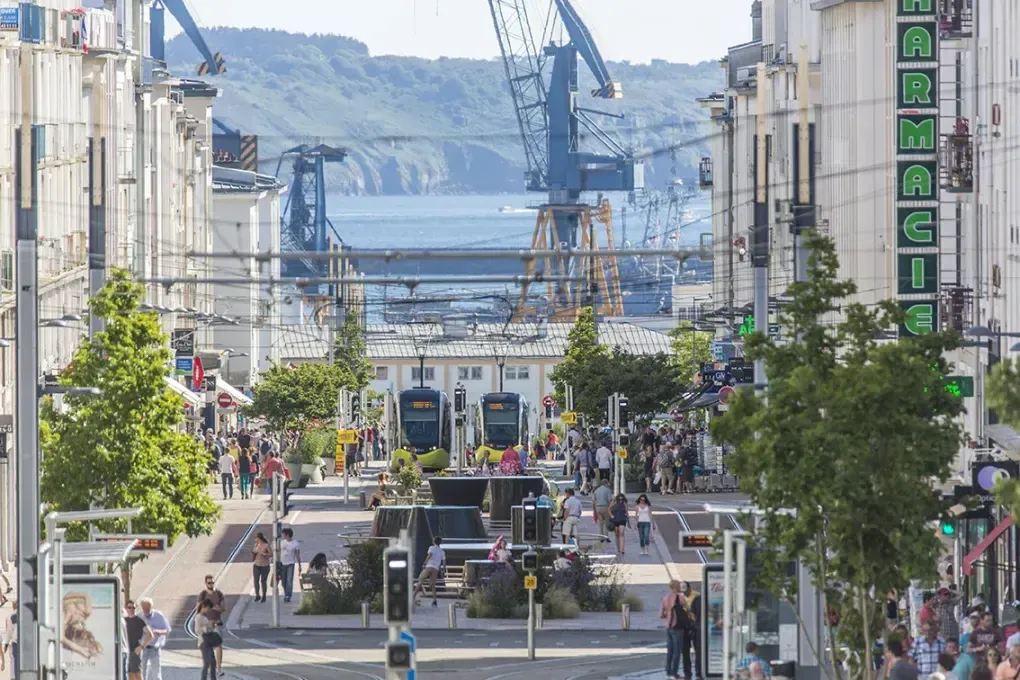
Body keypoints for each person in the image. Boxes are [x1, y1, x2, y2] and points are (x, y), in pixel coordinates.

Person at [660, 580, 694, 680]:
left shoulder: (665, 598)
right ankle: (675, 673)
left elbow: (661, 614)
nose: (681, 587)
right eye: (679, 586)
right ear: (676, 587)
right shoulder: (680, 597)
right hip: (678, 627)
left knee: (670, 651)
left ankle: (668, 671)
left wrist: (669, 614)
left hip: (668, 626)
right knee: (677, 651)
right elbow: (688, 609)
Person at [195, 575, 225, 676]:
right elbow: (198, 608)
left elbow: (223, 608)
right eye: (209, 583)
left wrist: (217, 609)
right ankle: (207, 667)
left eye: (212, 582)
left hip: (216, 622)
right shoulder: (202, 594)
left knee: (219, 644)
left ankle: (219, 668)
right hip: (205, 623)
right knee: (206, 645)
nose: (211, 584)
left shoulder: (219, 594)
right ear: (206, 583)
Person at [138, 597, 171, 680]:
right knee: (142, 673)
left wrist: (158, 632)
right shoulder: (139, 616)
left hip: (154, 648)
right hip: (143, 648)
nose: (145, 610)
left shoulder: (159, 616)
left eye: (147, 608)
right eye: (144, 608)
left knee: (156, 674)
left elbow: (167, 630)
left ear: (151, 607)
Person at [414, 536, 445, 607]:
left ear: (434, 541)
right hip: (436, 568)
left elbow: (429, 555)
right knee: (432, 585)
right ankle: (434, 601)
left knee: (420, 581)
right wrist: (443, 570)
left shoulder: (431, 548)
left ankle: (413, 597)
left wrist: (424, 563)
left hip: (429, 566)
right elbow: (443, 562)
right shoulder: (442, 551)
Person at [194, 600, 219, 680]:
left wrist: (213, 625)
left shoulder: (204, 616)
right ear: (203, 606)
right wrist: (207, 627)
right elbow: (197, 630)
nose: (208, 610)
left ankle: (213, 678)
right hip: (203, 642)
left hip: (208, 642)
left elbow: (208, 628)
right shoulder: (198, 617)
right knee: (207, 663)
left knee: (212, 663)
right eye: (208, 608)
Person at [124, 600, 147, 680]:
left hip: (135, 651)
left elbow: (150, 635)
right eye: (129, 607)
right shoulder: (123, 621)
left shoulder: (139, 621)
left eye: (133, 607)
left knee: (137, 674)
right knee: (130, 674)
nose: (131, 609)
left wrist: (141, 647)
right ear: (126, 608)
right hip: (126, 651)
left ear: (135, 608)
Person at [280, 528, 302, 603]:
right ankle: (286, 592)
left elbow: (297, 555)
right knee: (283, 581)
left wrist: (299, 565)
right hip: (282, 564)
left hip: (290, 564)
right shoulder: (282, 542)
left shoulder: (295, 543)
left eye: (283, 534)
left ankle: (288, 595)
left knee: (289, 580)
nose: (282, 535)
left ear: (287, 535)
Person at [251, 532, 272, 603]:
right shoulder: (256, 545)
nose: (255, 539)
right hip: (256, 564)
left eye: (256, 538)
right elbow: (254, 552)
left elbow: (271, 554)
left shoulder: (266, 545)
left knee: (263, 581)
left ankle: (264, 596)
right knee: (256, 580)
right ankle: (257, 595)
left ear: (259, 538)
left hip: (264, 565)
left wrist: (265, 554)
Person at [593, 478, 613, 543]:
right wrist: (611, 508)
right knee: (607, 523)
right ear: (606, 483)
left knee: (600, 523)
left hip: (598, 507)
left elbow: (593, 501)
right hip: (605, 507)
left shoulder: (596, 490)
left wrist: (594, 509)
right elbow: (610, 500)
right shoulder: (608, 490)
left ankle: (601, 537)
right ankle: (606, 536)